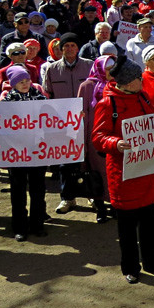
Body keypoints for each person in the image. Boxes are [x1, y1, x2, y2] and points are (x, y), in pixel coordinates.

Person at [92, 57, 154, 284]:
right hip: (124, 175)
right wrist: (115, 144)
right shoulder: (108, 104)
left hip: (148, 171)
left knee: (151, 223)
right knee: (127, 228)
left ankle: (153, 262)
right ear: (127, 82)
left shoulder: (142, 96)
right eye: (138, 78)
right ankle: (131, 267)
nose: (142, 80)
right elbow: (97, 138)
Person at [43, 33, 94, 215]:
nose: (70, 49)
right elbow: (48, 95)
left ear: (77, 48)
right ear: (60, 49)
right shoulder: (52, 69)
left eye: (73, 45)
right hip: (63, 123)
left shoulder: (89, 66)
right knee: (65, 161)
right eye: (66, 46)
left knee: (88, 159)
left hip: (86, 120)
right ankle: (67, 198)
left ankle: (92, 194)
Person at [1, 66, 50, 240]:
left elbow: (54, 116)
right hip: (17, 152)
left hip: (37, 151)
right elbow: (0, 126)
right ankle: (19, 227)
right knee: (18, 190)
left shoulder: (40, 97)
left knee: (38, 189)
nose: (25, 84)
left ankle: (37, 225)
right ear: (13, 84)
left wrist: (73, 114)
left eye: (27, 80)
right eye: (20, 82)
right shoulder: (7, 101)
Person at [77, 55, 115, 223]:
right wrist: (83, 143)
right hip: (94, 138)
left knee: (113, 173)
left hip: (113, 135)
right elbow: (81, 116)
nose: (110, 72)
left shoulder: (117, 85)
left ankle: (115, 205)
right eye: (107, 68)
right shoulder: (86, 86)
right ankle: (100, 208)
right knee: (97, 174)